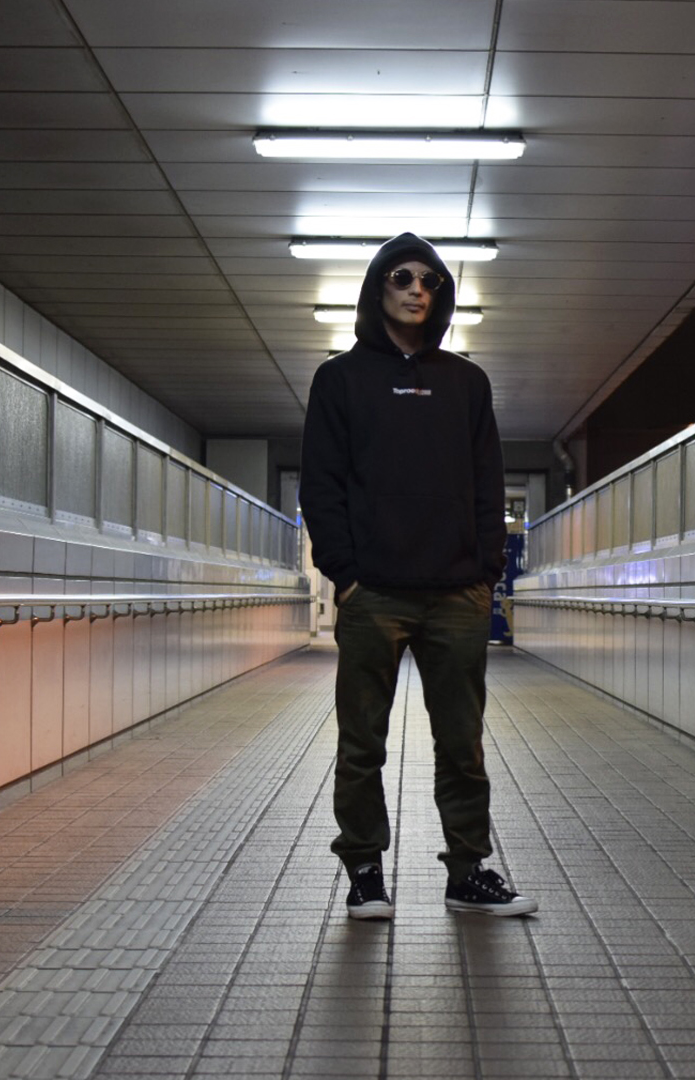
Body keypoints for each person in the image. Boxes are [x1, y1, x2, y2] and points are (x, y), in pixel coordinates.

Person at [299, 232, 537, 920]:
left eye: (430, 280)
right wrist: (346, 575)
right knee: (362, 743)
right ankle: (365, 871)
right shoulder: (340, 379)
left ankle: (468, 872)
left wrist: (485, 573)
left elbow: (488, 484)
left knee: (461, 743)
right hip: (373, 593)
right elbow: (322, 485)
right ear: (378, 286)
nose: (416, 290)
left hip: (456, 594)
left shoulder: (466, 382)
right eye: (402, 278)